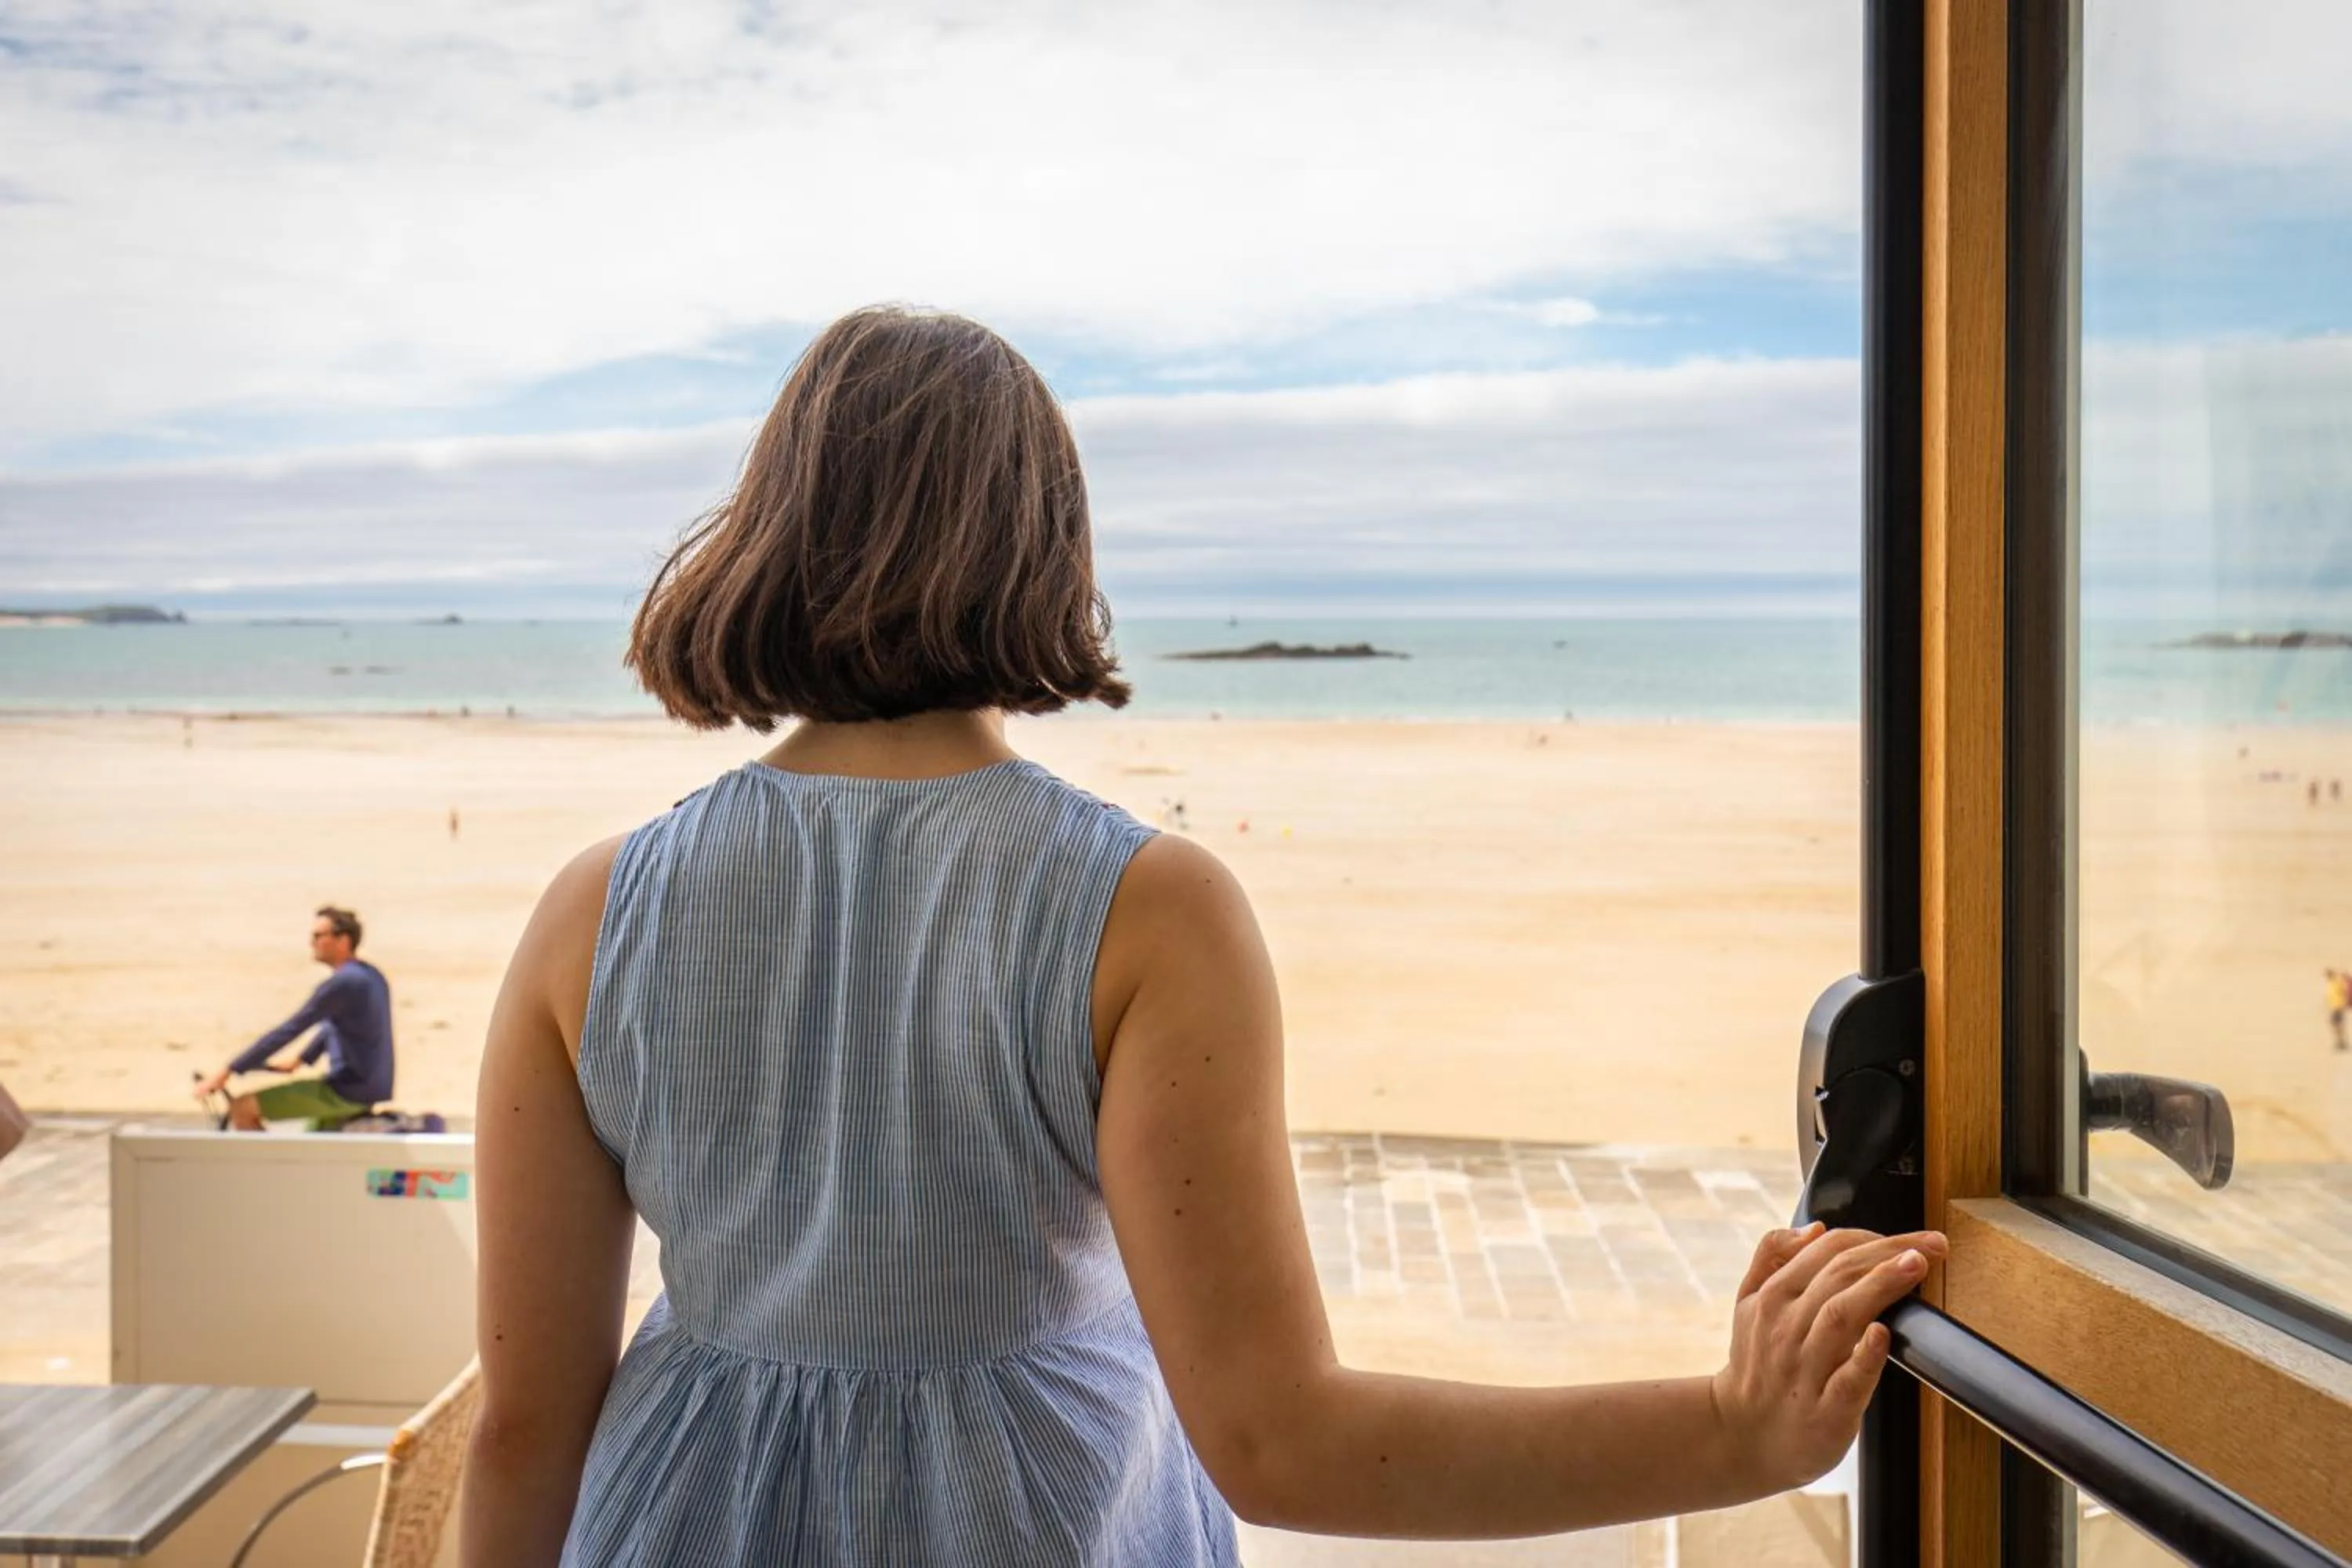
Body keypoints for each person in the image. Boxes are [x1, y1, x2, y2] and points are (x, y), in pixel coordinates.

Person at [461, 309, 1944, 1566]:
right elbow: (1281, 1444)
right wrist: (1729, 1431)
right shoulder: (1146, 909)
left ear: (770, 534)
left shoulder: (594, 910)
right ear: (1045, 548)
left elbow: (525, 1431)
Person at [193, 906, 395, 1131]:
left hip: (346, 1091)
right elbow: (337, 1026)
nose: (312, 942)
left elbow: (290, 1029)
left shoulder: (342, 984)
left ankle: (265, 1157)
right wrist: (301, 1059)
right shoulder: (371, 976)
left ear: (343, 940)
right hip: (370, 1087)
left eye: (319, 936)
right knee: (309, 1144)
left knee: (242, 1107)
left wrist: (227, 1072)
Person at [2328, 968, 2351, 1052]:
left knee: (2337, 1025)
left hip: (2338, 1007)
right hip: (2337, 1007)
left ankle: (2341, 1043)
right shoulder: (2333, 983)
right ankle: (2341, 1042)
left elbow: (2344, 992)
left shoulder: (2336, 983)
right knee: (2337, 1025)